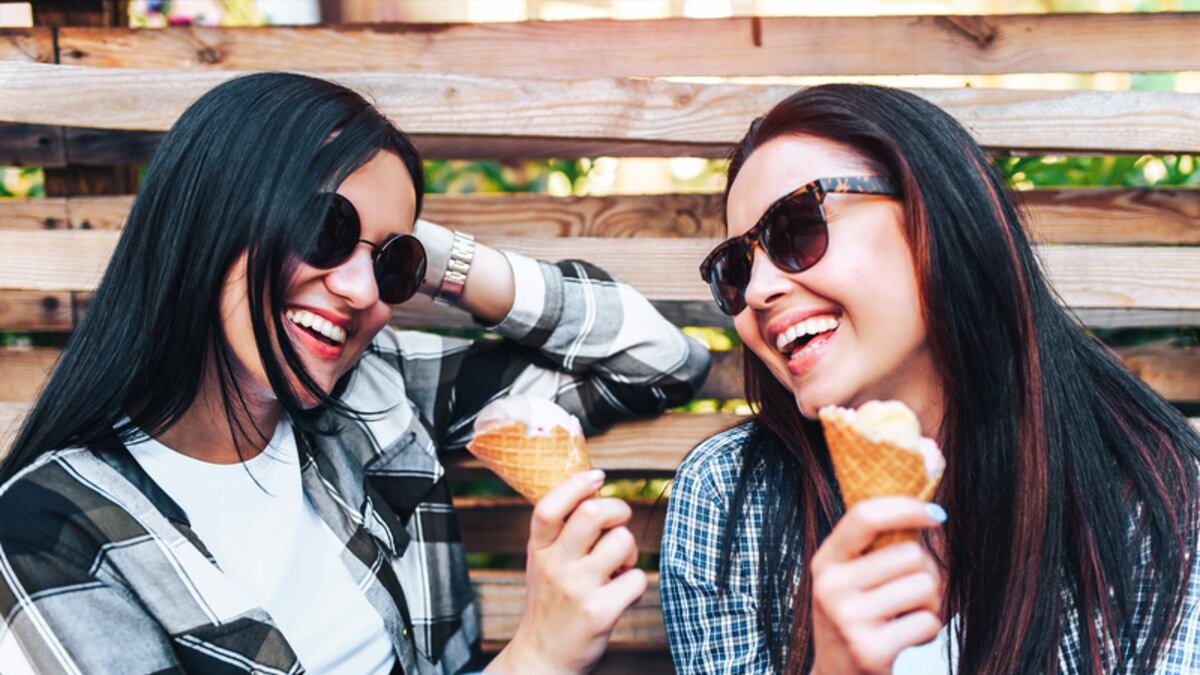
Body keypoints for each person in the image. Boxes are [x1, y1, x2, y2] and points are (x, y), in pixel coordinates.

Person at [0, 72, 711, 674]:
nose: (364, 294)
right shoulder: (45, 539)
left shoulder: (375, 397)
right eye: (323, 229)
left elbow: (654, 358)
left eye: (389, 265)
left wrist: (427, 253)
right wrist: (535, 657)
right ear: (212, 218)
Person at [659, 83, 1200, 674]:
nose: (759, 292)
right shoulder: (730, 499)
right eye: (736, 269)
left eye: (796, 228)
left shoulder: (1158, 497)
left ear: (934, 216)